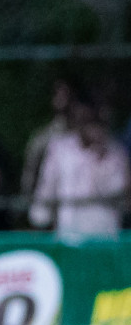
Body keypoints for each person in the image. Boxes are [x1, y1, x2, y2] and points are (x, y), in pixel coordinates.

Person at [31, 98, 129, 235]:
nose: (92, 128)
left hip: (105, 236)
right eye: (86, 121)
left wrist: (100, 158)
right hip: (68, 236)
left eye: (96, 123)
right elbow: (47, 187)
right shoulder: (59, 149)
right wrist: (39, 220)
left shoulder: (115, 153)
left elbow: (117, 190)